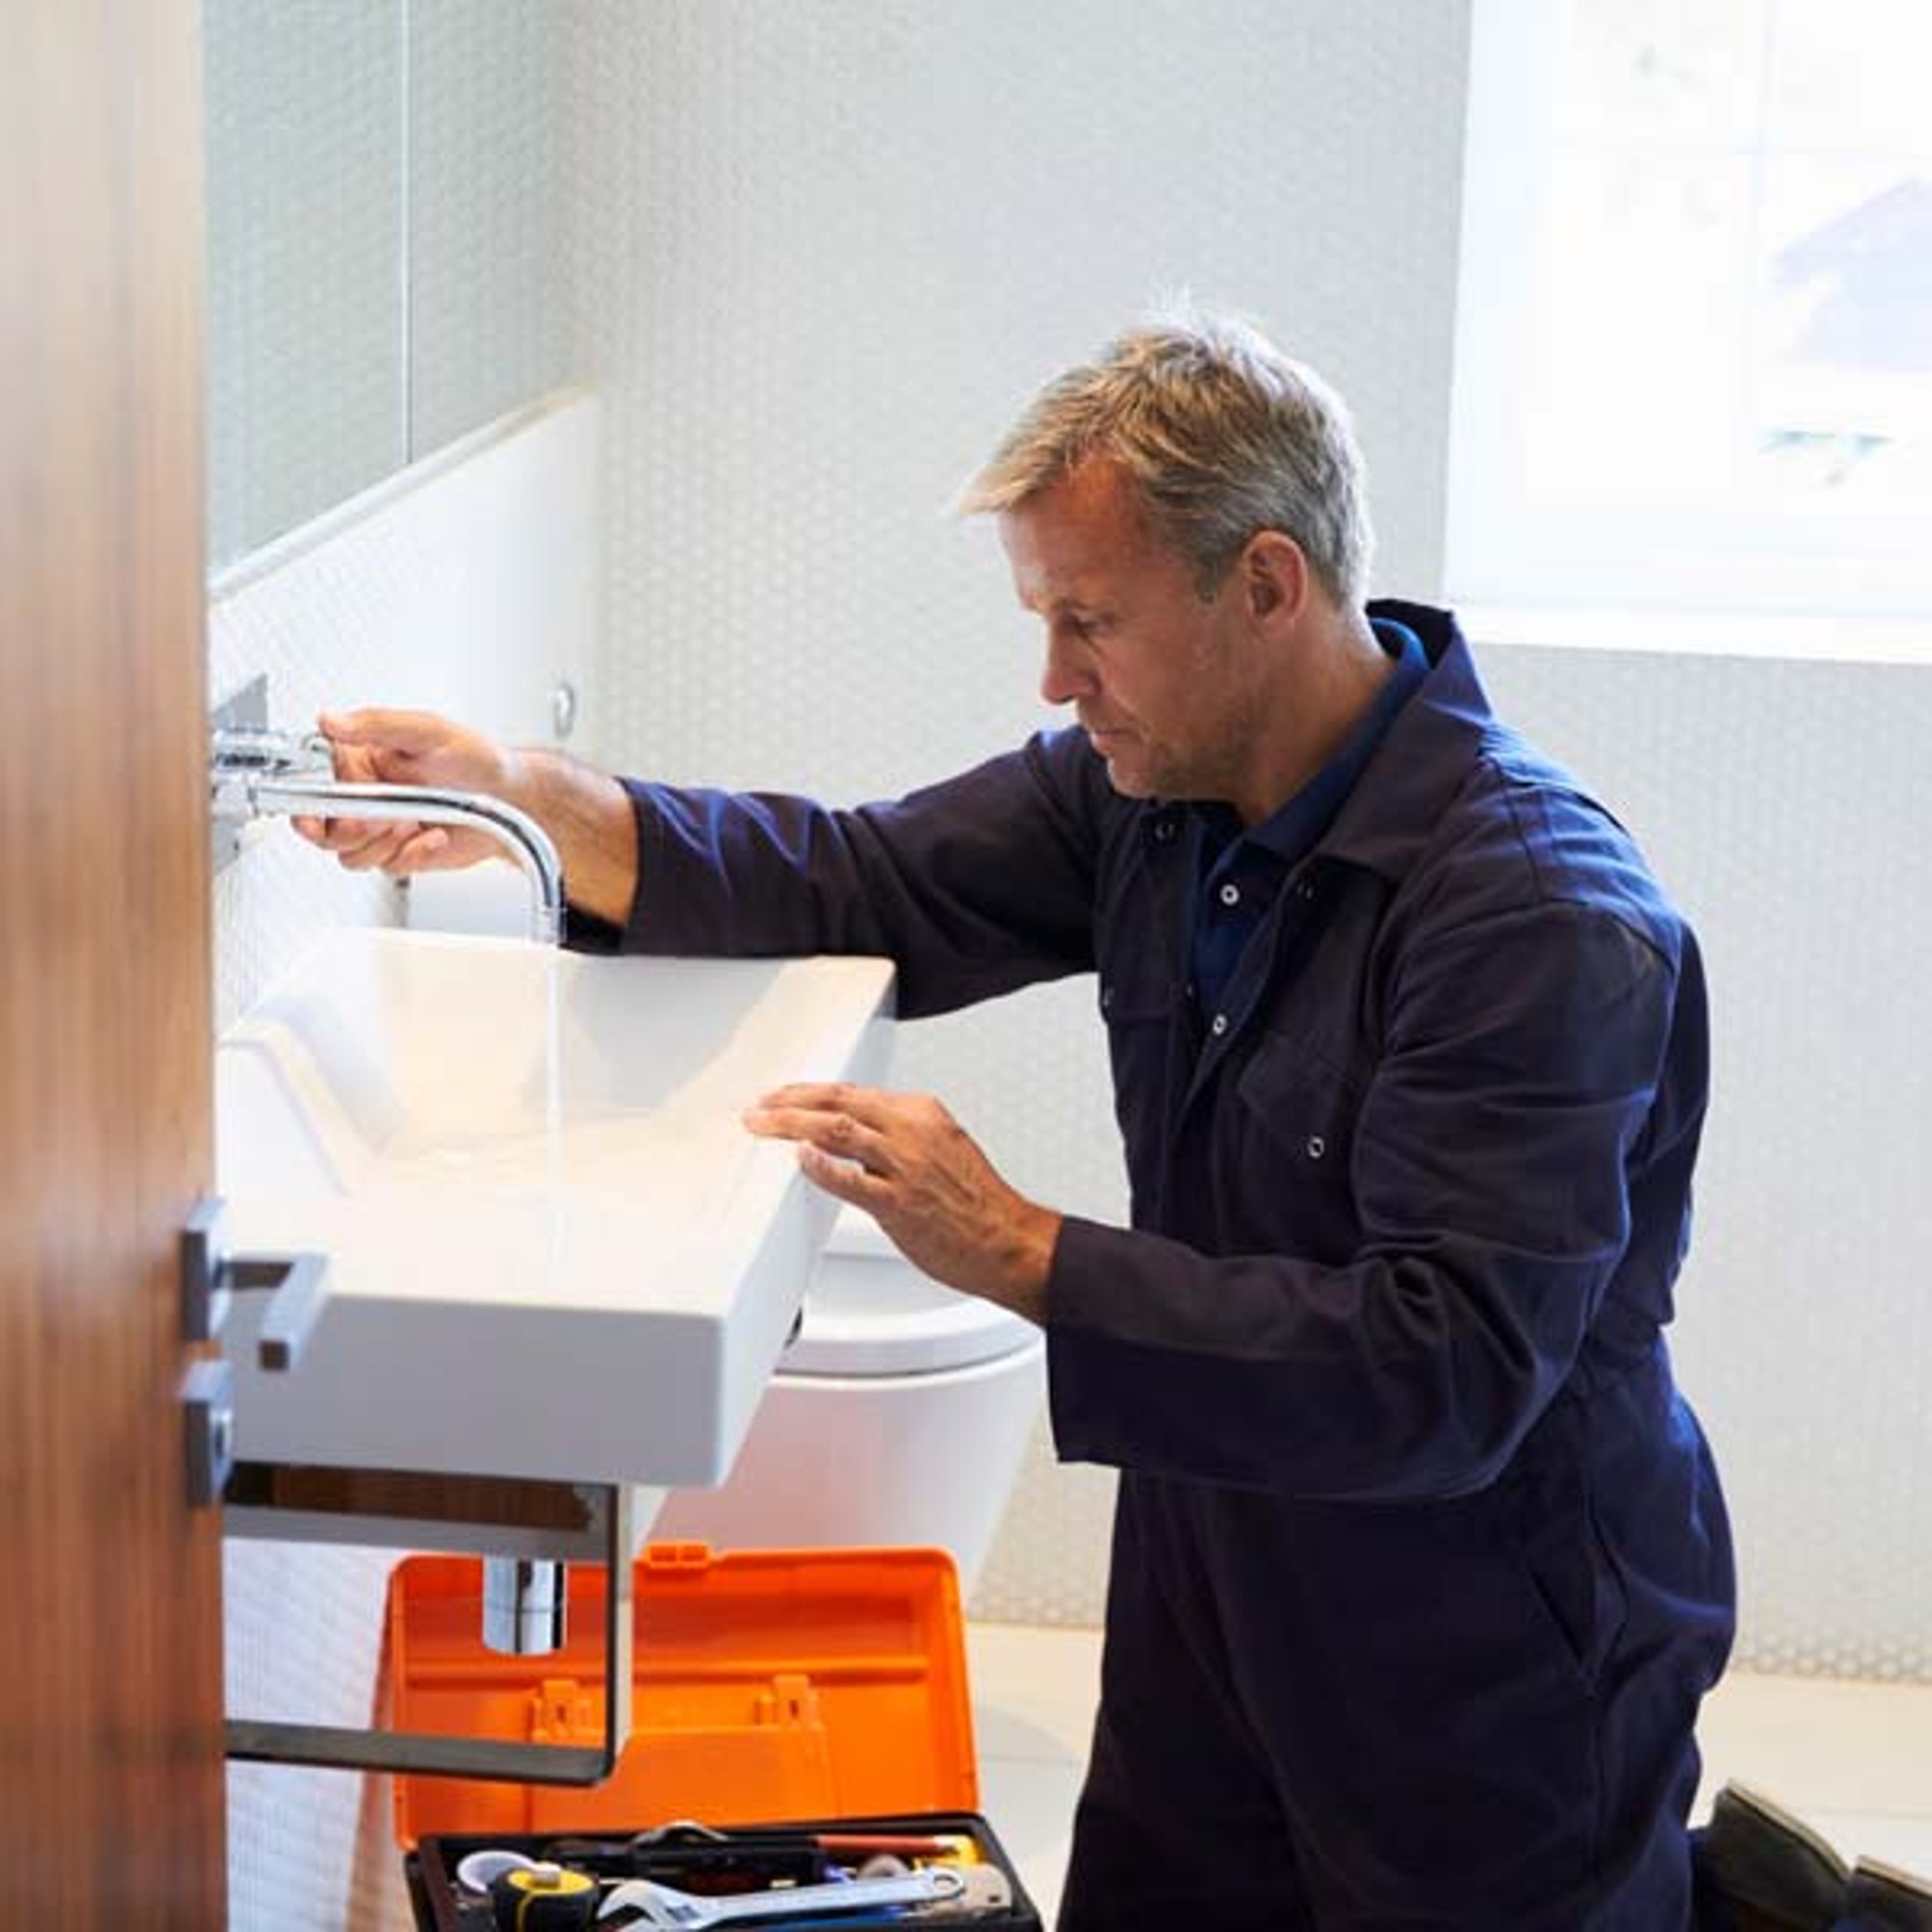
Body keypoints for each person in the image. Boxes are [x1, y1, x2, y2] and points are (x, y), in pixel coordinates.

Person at [300, 311, 1745, 1927]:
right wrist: (525, 799)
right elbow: (865, 876)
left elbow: (1447, 1367)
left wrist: (1021, 1251)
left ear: (1265, 585)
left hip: (1492, 1638)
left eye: (1091, 620)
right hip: (1220, 1563)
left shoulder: (1534, 916)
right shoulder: (1147, 800)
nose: (1055, 675)